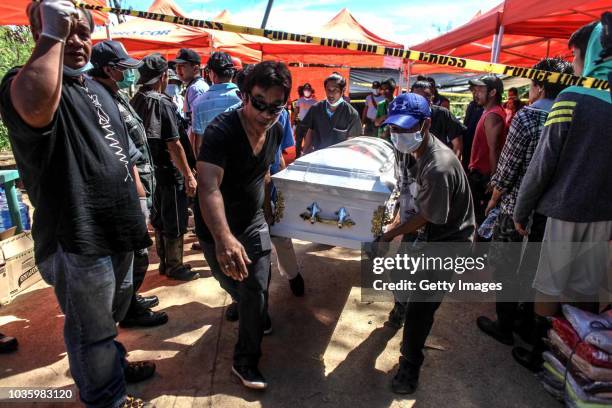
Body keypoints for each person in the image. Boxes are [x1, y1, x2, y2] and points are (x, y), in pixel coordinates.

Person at [0, 2, 154, 406]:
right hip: (78, 238)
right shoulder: (23, 82)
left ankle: (110, 364)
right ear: (39, 33)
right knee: (92, 329)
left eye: (82, 32)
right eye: (63, 31)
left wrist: (139, 203)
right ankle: (106, 396)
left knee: (110, 317)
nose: (76, 40)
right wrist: (52, 32)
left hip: (120, 227)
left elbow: (121, 151)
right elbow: (34, 107)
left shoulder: (96, 87)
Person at [512, 20, 611, 372]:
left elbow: (542, 166)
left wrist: (521, 210)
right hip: (604, 217)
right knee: (586, 289)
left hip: (563, 211)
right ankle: (577, 361)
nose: (572, 64)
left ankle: (538, 354)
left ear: (594, 52)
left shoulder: (572, 98)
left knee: (549, 288)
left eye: (575, 55)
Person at [195, 61, 292, 390]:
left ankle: (245, 360)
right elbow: (207, 187)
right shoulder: (221, 132)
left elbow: (265, 173)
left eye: (276, 106)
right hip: (216, 227)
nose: (267, 113)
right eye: (260, 103)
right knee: (231, 283)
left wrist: (269, 213)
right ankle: (249, 306)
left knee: (255, 289)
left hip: (252, 223)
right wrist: (223, 239)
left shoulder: (276, 128)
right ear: (244, 95)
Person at [378, 93, 475, 394]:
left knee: (422, 307)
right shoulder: (408, 151)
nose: (399, 135)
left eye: (406, 129)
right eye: (394, 129)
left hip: (448, 240)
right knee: (401, 276)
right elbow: (405, 191)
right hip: (422, 231)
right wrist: (393, 219)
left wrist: (389, 233)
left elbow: (427, 216)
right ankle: (400, 307)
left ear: (426, 124)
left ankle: (410, 364)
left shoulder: (439, 166)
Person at [475, 57, 573, 347]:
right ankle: (524, 322)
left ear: (540, 87)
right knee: (534, 269)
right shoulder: (571, 117)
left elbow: (508, 167)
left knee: (506, 266)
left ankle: (504, 325)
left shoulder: (527, 117)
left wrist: (493, 198)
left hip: (516, 206)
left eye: (531, 84)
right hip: (550, 213)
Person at [90, 40, 169, 329]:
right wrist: (138, 195)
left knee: (138, 251)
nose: (131, 74)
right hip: (127, 190)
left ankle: (129, 300)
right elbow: (119, 153)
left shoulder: (116, 95)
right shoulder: (98, 100)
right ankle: (125, 311)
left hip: (140, 185)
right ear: (111, 70)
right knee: (136, 252)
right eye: (125, 69)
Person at [131, 53, 200, 282]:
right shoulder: (161, 103)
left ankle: (164, 262)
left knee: (160, 217)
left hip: (149, 173)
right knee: (175, 218)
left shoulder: (136, 100)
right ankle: (174, 265)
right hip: (169, 172)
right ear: (163, 76)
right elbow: (174, 143)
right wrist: (189, 174)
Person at [467, 74, 506, 226]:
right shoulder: (488, 112)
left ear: (492, 92)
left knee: (479, 222)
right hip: (480, 176)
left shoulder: (493, 115)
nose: (475, 94)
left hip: (484, 178)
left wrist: (494, 179)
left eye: (479, 90)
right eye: (474, 90)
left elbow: (494, 149)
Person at [191, 51, 240, 156]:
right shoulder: (244, 98)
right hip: (241, 163)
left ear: (212, 73)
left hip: (211, 164)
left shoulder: (198, 103)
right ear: (232, 72)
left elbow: (199, 144)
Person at [301, 72, 360, 153]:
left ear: (343, 91)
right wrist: (304, 152)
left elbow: (352, 142)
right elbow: (310, 132)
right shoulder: (316, 109)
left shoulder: (351, 114)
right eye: (328, 90)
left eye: (335, 90)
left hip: (339, 160)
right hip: (318, 156)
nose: (331, 94)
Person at [410, 80, 466, 159]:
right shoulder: (406, 116)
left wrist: (451, 166)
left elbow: (457, 145)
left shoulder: (443, 114)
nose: (421, 101)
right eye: (417, 97)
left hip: (440, 163)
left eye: (426, 97)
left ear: (432, 98)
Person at [172, 48, 209, 154]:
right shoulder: (194, 86)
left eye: (182, 66)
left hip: (197, 147)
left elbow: (198, 125)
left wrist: (195, 154)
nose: (178, 69)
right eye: (177, 66)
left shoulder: (195, 88)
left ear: (196, 68)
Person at [462, 84, 484, 170]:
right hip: (468, 141)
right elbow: (466, 123)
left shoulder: (485, 107)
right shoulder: (471, 105)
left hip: (478, 143)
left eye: (476, 91)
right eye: (473, 91)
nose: (474, 94)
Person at [293, 82, 317, 157]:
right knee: (298, 143)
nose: (306, 91)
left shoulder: (315, 102)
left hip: (309, 126)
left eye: (308, 89)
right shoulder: (299, 100)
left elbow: (316, 115)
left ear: (311, 90)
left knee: (309, 143)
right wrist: (293, 123)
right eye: (305, 89)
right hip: (300, 124)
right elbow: (295, 112)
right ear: (303, 90)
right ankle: (297, 157)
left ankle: (307, 157)